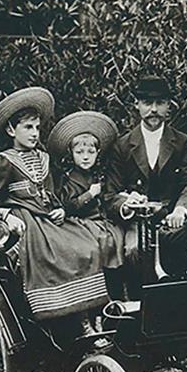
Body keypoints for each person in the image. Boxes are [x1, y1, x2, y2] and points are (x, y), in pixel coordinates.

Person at [0, 87, 112, 321]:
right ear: (10, 129)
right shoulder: (3, 162)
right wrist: (7, 216)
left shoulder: (44, 158)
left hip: (48, 219)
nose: (35, 133)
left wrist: (58, 208)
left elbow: (51, 193)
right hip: (25, 221)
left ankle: (88, 313)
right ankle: (69, 317)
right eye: (27, 127)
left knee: (86, 246)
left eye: (37, 128)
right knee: (57, 252)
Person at [105, 75, 187, 287]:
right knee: (132, 250)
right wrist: (127, 205)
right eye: (148, 103)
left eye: (160, 103)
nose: (154, 109)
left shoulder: (183, 143)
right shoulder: (121, 146)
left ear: (169, 106)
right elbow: (110, 194)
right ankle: (143, 312)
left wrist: (181, 211)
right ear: (136, 105)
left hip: (173, 222)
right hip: (137, 225)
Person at [48, 110, 126, 311]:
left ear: (97, 153)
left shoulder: (98, 176)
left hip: (103, 224)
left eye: (90, 153)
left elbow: (109, 197)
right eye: (80, 153)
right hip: (82, 225)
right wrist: (89, 195)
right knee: (98, 247)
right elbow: (67, 205)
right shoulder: (70, 179)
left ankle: (117, 298)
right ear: (71, 154)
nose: (85, 157)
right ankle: (97, 302)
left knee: (118, 239)